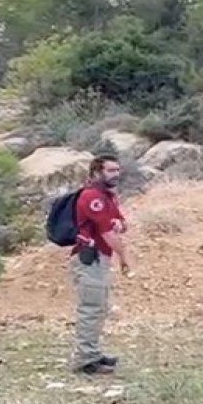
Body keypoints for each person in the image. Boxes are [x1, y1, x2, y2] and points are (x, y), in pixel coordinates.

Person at [69, 154, 134, 375]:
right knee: (90, 308)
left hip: (100, 259)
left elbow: (121, 223)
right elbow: (107, 233)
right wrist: (123, 257)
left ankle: (92, 353)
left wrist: (119, 224)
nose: (116, 174)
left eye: (117, 170)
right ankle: (85, 359)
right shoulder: (92, 197)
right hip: (90, 258)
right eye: (110, 170)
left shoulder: (107, 197)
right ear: (97, 172)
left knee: (99, 308)